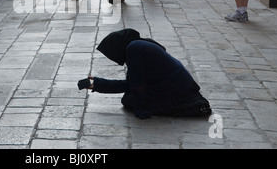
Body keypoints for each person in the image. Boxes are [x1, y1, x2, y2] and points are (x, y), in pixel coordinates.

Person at [81, 29, 212, 119]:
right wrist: (97, 84)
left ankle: (194, 107)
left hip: (175, 89)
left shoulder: (134, 49)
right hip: (180, 85)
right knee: (129, 97)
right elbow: (132, 84)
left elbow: (137, 85)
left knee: (129, 100)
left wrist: (141, 110)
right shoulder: (139, 44)